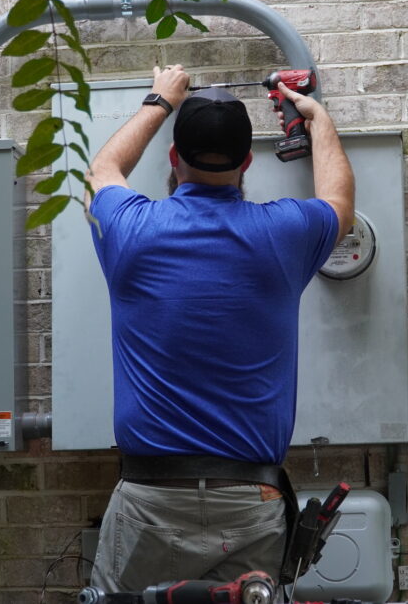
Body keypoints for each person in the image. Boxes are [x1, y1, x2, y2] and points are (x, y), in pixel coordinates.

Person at [85, 63, 354, 593]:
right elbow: (339, 203)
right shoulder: (284, 233)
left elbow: (103, 170)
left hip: (150, 502)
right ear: (247, 162)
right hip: (251, 507)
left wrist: (159, 99)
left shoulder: (131, 229)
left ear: (172, 157)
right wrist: (317, 119)